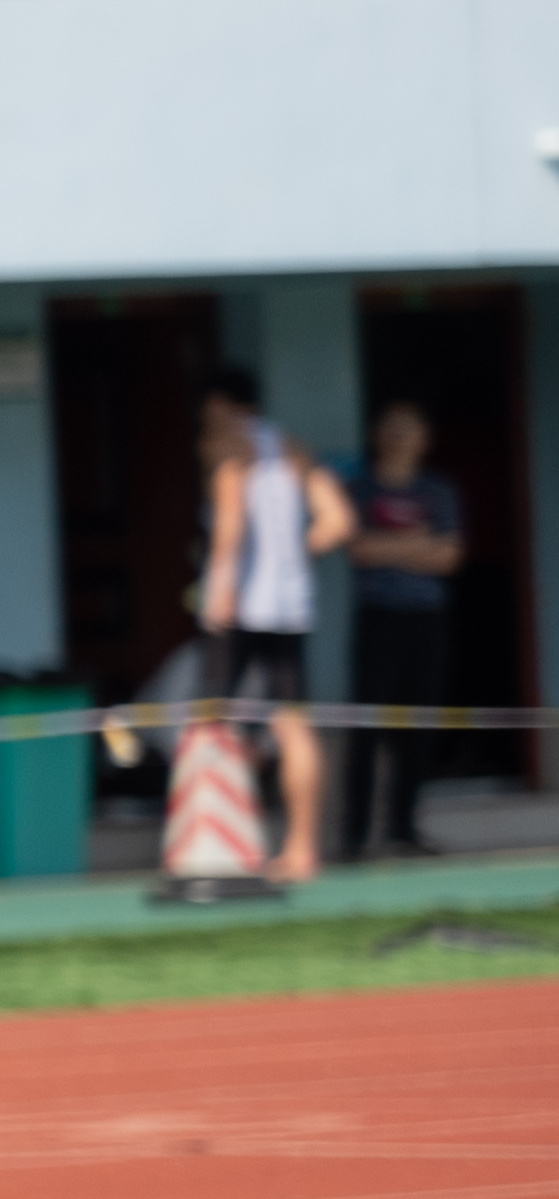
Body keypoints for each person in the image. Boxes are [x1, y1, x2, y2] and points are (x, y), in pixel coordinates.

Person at [192, 364, 352, 885]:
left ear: (221, 405)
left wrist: (220, 586)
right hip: (290, 607)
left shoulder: (227, 446)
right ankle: (302, 850)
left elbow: (231, 520)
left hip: (240, 606)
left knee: (211, 722)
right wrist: (291, 560)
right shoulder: (294, 449)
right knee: (292, 724)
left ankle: (212, 845)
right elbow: (339, 522)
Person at [333, 398, 465, 864]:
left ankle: (404, 830)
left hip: (426, 618)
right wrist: (414, 544)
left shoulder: (438, 490)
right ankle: (354, 836)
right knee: (368, 726)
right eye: (390, 429)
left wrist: (390, 547)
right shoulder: (361, 489)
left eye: (408, 430)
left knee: (419, 726)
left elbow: (448, 557)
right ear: (376, 435)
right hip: (379, 615)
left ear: (425, 439)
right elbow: (358, 550)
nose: (398, 438)